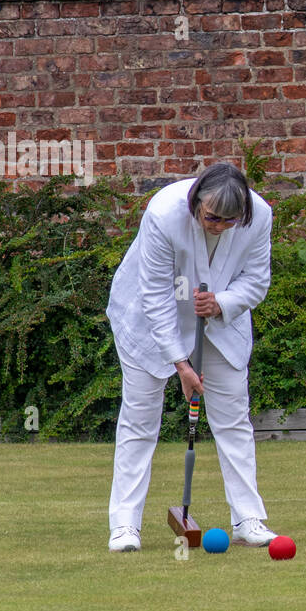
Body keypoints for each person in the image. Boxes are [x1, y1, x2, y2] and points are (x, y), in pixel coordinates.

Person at [106, 161, 277, 551]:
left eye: (229, 221)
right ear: (196, 201)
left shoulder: (260, 215)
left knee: (234, 418)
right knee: (139, 418)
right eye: (211, 217)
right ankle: (125, 525)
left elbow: (257, 280)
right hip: (149, 321)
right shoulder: (164, 212)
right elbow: (155, 293)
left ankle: (249, 518)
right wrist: (181, 364)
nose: (218, 226)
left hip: (218, 322)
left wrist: (222, 303)